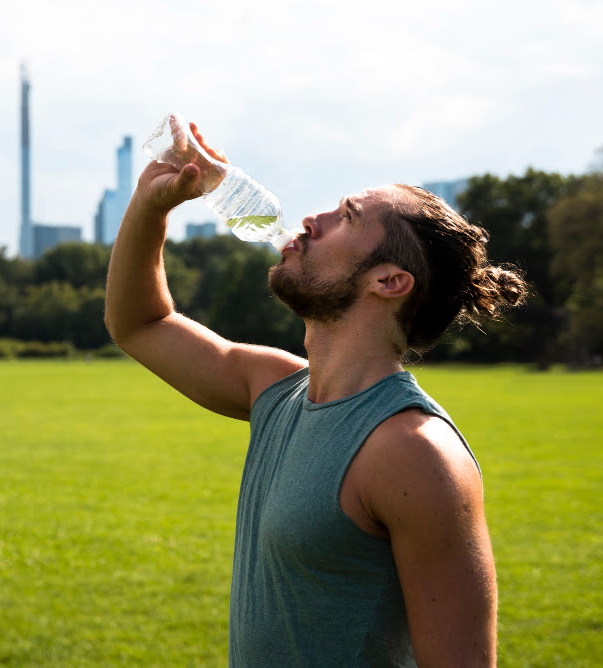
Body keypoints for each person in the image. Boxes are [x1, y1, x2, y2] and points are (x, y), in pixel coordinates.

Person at [104, 122, 527, 666]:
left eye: (346, 217)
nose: (311, 219)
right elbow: (140, 323)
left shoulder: (416, 454)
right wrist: (150, 204)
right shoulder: (275, 389)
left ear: (389, 281)